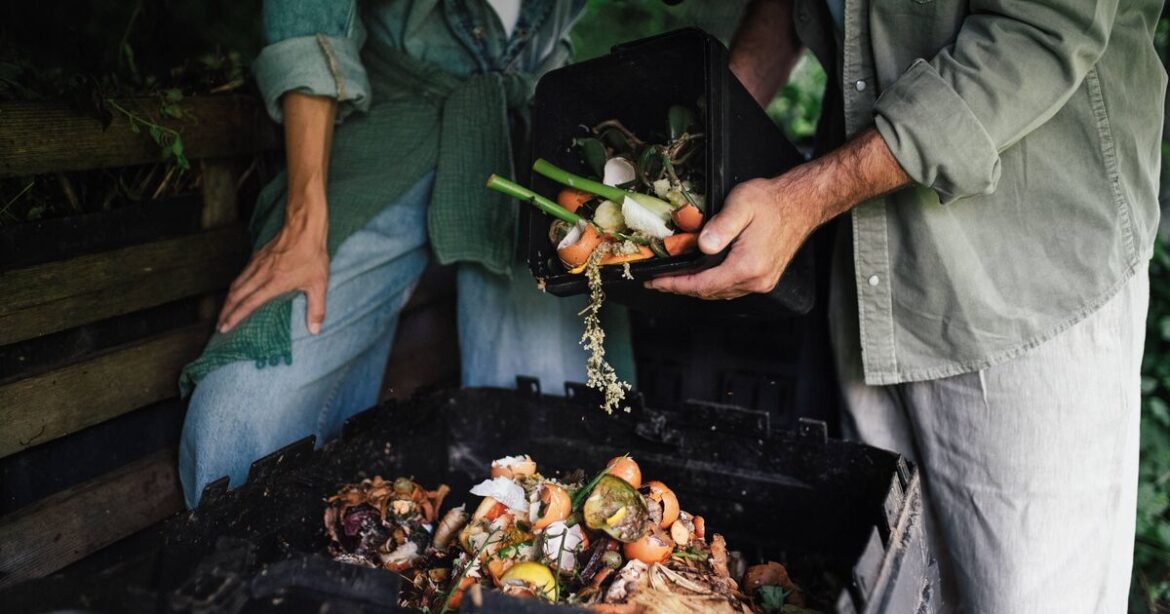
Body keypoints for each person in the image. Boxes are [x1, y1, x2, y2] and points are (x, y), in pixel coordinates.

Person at [650, 0, 1164, 611]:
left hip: (1019, 285)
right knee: (894, 591)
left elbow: (1040, 33)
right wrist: (705, 152)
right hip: (868, 272)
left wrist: (804, 199)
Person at [177, 0, 632, 509]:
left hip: (533, 159)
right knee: (239, 409)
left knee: (568, 440)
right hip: (390, 132)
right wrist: (305, 226)